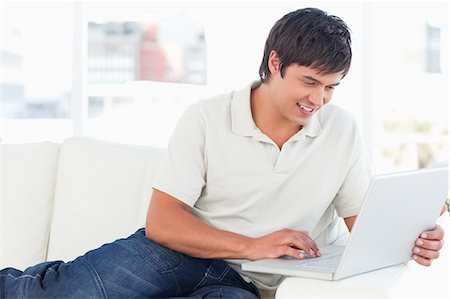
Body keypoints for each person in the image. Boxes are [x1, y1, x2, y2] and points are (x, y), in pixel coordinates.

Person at [1, 7, 446, 299]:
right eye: (310, 82)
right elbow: (162, 221)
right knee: (48, 295)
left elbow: (362, 228)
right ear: (275, 63)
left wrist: (412, 242)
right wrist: (252, 245)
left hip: (245, 285)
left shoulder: (342, 131)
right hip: (175, 254)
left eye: (331, 87)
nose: (320, 99)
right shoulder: (207, 118)